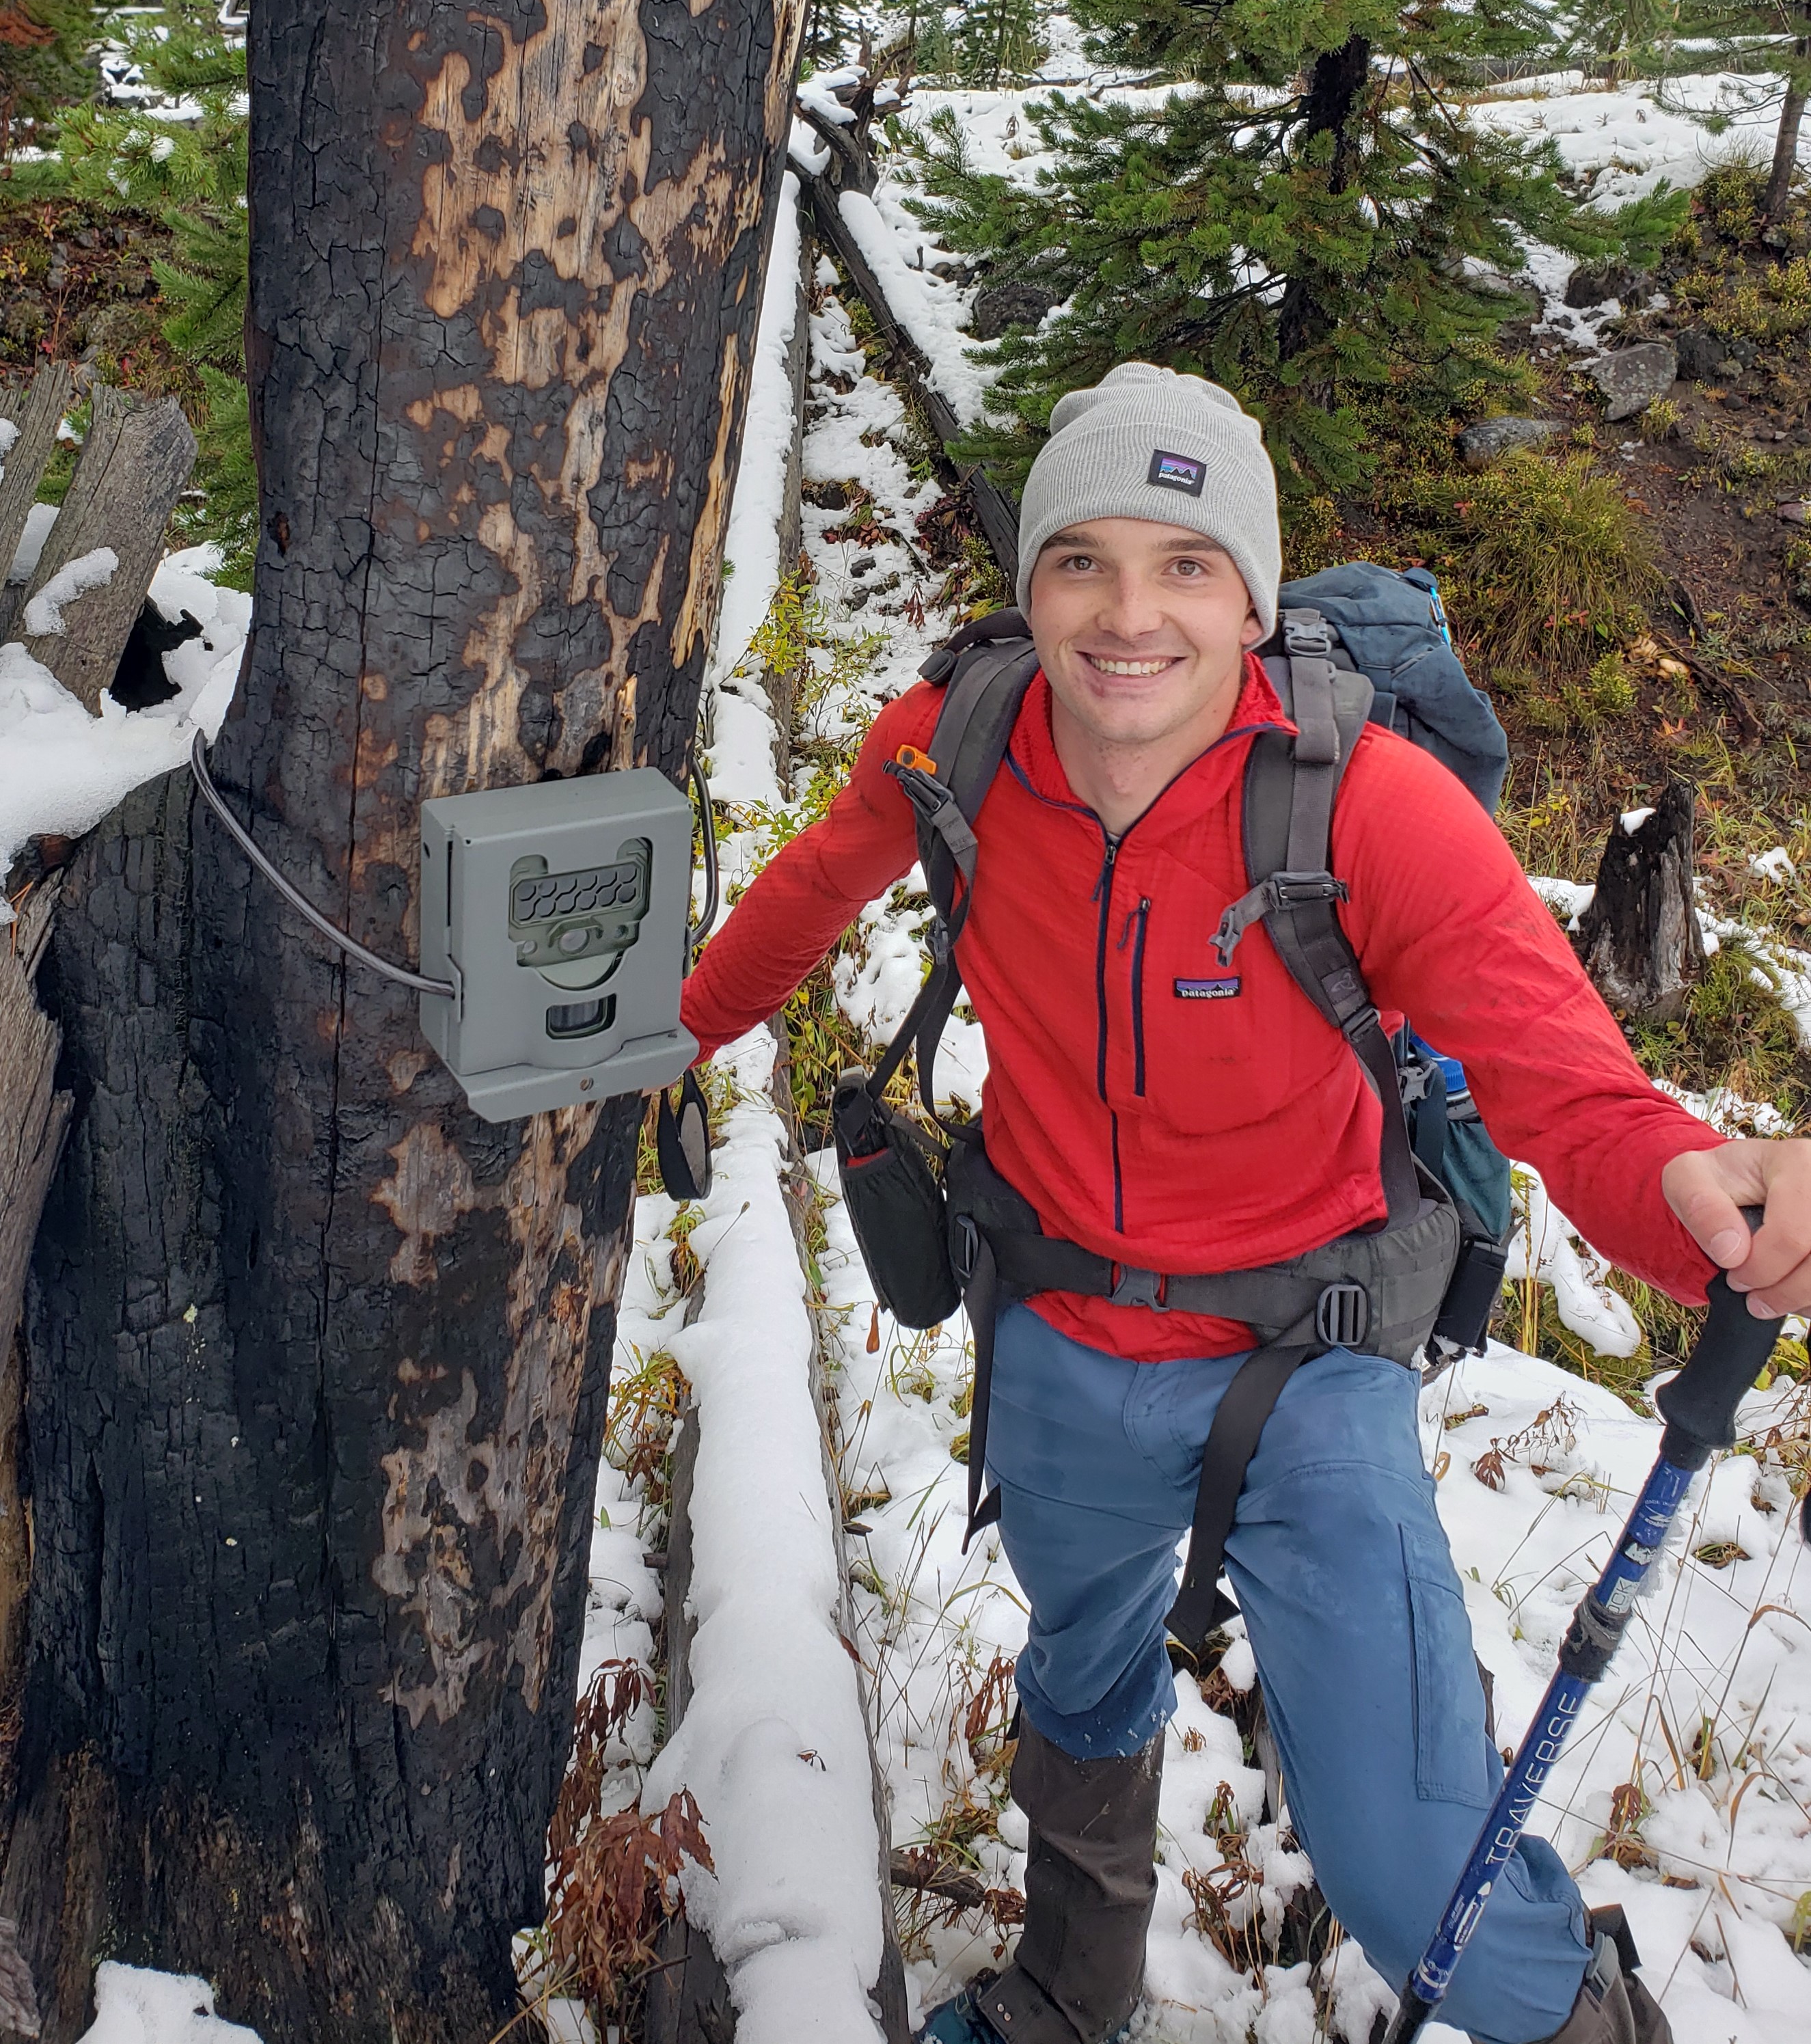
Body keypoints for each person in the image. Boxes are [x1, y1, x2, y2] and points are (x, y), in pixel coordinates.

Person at [678, 362, 1811, 2044]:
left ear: (1252, 595)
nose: (1128, 614)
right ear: (1030, 583)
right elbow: (809, 887)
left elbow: (1558, 1074)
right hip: (1054, 1330)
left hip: (1306, 1366)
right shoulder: (957, 744)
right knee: (1079, 1667)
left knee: (1416, 1866)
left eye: (1185, 564)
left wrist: (1699, 1198)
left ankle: (1582, 2019)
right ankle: (1068, 1990)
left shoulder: (1360, 803)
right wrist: (670, 1036)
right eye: (1082, 560)